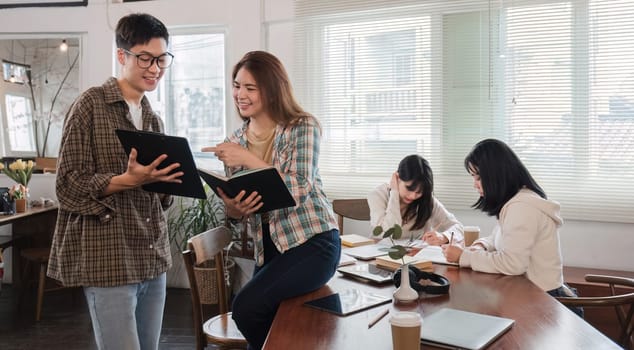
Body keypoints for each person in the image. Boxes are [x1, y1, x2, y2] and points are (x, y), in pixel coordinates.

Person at [47, 13, 182, 350]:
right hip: (110, 258)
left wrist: (169, 182)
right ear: (122, 56)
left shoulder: (153, 117)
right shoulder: (89, 106)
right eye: (145, 59)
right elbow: (67, 186)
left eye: (161, 59)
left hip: (153, 258)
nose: (155, 69)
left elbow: (159, 199)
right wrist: (125, 180)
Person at [202, 50, 340, 350]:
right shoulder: (235, 140)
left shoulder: (302, 126)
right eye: (237, 85)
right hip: (271, 251)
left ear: (272, 88)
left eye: (250, 88)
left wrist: (248, 159)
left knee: (245, 308)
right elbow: (237, 215)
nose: (240, 94)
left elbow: (299, 186)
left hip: (315, 243)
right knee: (262, 319)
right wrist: (233, 209)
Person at [443, 138, 583, 317]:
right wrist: (482, 245)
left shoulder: (522, 208)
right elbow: (497, 237)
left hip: (545, 301)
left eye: (478, 177)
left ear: (495, 175)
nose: (474, 184)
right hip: (532, 294)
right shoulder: (516, 202)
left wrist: (464, 256)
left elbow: (512, 264)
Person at [368, 154, 464, 246]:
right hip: (379, 255)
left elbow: (458, 227)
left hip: (416, 257)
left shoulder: (426, 200)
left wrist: (443, 237)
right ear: (397, 178)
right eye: (409, 188)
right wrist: (394, 193)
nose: (413, 196)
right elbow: (386, 233)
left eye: (419, 192)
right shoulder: (378, 195)